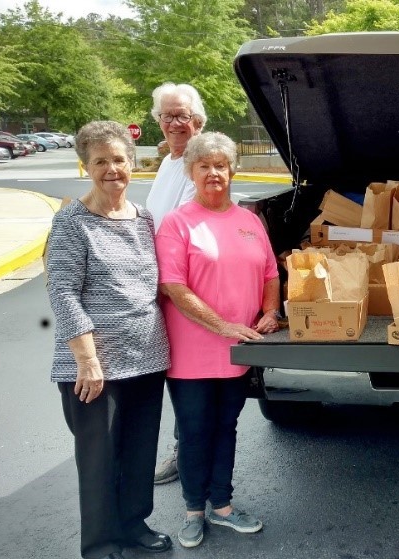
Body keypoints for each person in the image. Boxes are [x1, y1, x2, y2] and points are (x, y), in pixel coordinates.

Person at [46, 120, 172, 559]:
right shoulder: (72, 222)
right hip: (94, 366)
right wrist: (87, 359)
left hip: (148, 357)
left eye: (119, 159)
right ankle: (100, 543)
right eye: (100, 161)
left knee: (139, 451)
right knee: (100, 459)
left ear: (133, 165)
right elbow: (61, 291)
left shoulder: (144, 219)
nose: (111, 169)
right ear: (86, 166)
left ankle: (135, 525)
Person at [155, 132, 280, 548]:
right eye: (204, 165)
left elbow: (270, 274)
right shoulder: (178, 222)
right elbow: (174, 286)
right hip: (192, 353)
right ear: (191, 171)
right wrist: (223, 325)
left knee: (226, 428)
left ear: (232, 169)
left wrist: (270, 311)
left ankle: (222, 507)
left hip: (239, 350)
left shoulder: (248, 220)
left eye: (220, 165)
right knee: (194, 432)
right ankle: (193, 510)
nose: (213, 173)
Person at [147, 82, 207, 485]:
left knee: (190, 379)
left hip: (185, 283)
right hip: (162, 282)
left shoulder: (198, 162)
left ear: (197, 121)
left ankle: (186, 454)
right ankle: (184, 449)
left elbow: (181, 225)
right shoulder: (170, 162)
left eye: (181, 115)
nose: (174, 123)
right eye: (167, 115)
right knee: (177, 376)